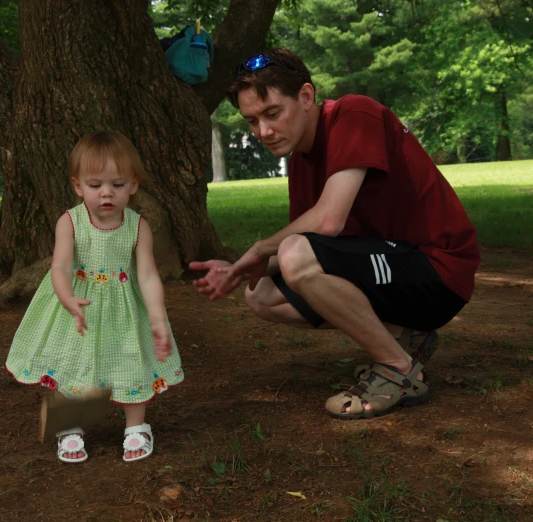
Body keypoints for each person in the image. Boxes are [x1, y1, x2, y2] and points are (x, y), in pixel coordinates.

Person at [190, 48, 479, 420]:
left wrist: (260, 249)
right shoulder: (301, 159)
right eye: (251, 121)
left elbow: (327, 223)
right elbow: (315, 246)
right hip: (393, 267)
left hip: (439, 271)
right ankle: (404, 335)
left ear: (306, 96)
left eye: (272, 113)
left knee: (292, 254)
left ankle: (399, 369)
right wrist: (239, 269)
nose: (263, 131)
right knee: (260, 294)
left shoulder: (354, 115)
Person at [6, 131, 184, 462]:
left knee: (132, 358)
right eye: (95, 185)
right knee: (69, 361)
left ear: (132, 185)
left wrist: (157, 317)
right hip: (77, 307)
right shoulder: (70, 222)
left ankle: (136, 426)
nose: (106, 193)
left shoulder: (137, 226)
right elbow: (59, 266)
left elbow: (146, 274)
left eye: (117, 185)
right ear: (78, 186)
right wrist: (67, 298)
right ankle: (70, 427)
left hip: (123, 310)